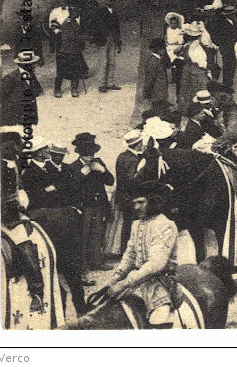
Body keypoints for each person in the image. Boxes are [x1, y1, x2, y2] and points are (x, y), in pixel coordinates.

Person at [105, 182, 179, 328]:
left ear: (153, 201)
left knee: (159, 320)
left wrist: (125, 283)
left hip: (161, 284)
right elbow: (130, 254)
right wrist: (117, 276)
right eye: (134, 203)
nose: (137, 207)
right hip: (137, 282)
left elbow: (156, 264)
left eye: (141, 202)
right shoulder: (136, 224)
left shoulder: (166, 224)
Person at [68, 133, 114, 272]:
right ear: (80, 154)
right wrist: (82, 174)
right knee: (83, 235)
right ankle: (82, 266)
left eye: (92, 154)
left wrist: (103, 170)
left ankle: (97, 262)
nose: (90, 157)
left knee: (97, 234)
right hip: (84, 206)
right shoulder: (73, 167)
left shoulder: (98, 163)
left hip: (99, 205)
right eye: (87, 154)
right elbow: (71, 188)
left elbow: (110, 181)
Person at [88, 0, 123, 92]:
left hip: (113, 39)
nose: (110, 1)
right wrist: (95, 37)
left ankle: (110, 83)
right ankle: (102, 84)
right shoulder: (99, 11)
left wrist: (118, 43)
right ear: (105, 0)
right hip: (102, 40)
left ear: (114, 1)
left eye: (112, 0)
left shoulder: (114, 13)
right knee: (103, 62)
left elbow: (117, 29)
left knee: (112, 62)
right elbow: (93, 25)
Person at [54, 6, 86, 98]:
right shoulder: (67, 23)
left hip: (75, 50)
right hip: (65, 51)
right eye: (77, 12)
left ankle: (74, 88)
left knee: (75, 71)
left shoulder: (75, 22)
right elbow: (72, 36)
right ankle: (57, 89)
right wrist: (82, 38)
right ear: (72, 13)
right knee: (61, 72)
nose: (78, 14)